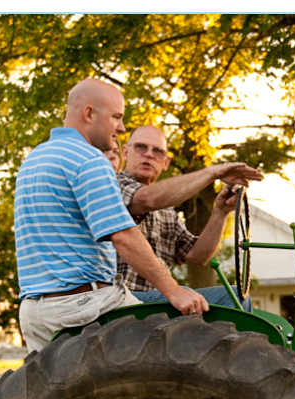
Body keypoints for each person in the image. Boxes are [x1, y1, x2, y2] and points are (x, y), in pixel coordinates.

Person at [15, 79, 204, 352]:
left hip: (35, 313)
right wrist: (175, 291)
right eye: (116, 117)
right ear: (89, 114)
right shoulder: (88, 159)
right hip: (85, 306)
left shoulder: (34, 159)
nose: (122, 128)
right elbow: (123, 235)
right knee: (181, 352)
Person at [114, 124, 262, 309]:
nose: (149, 154)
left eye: (157, 151)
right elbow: (148, 199)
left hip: (159, 299)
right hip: (121, 299)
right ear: (125, 153)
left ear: (166, 162)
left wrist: (220, 212)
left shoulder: (167, 211)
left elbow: (198, 255)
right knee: (185, 291)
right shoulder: (113, 185)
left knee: (235, 296)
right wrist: (213, 172)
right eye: (141, 147)